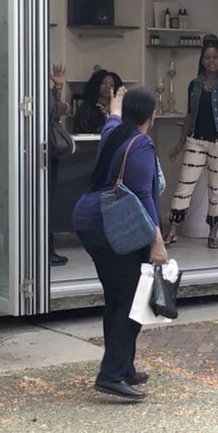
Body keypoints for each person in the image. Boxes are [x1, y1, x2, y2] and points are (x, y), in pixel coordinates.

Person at [72, 85, 167, 400]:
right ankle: (111, 374)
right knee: (130, 300)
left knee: (117, 296)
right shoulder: (141, 144)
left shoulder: (114, 131)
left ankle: (123, 367)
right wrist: (158, 241)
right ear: (151, 116)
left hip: (90, 220)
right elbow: (143, 197)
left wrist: (115, 106)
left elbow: (112, 118)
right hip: (115, 228)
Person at [166, 36, 218, 248]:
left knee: (217, 188)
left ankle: (213, 234)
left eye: (215, 57)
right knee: (184, 184)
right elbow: (190, 115)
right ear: (202, 60)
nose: (211, 61)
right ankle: (172, 231)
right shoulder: (195, 84)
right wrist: (180, 142)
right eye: (207, 57)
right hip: (196, 140)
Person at [49, 63, 70, 266]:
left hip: (47, 152)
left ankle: (47, 248)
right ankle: (46, 250)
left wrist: (57, 89)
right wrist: (61, 106)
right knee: (44, 203)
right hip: (42, 153)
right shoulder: (32, 87)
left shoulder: (45, 88)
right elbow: (55, 110)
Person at [73, 68, 123, 135]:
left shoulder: (121, 109)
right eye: (103, 83)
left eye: (112, 85)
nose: (107, 87)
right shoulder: (86, 109)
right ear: (96, 85)